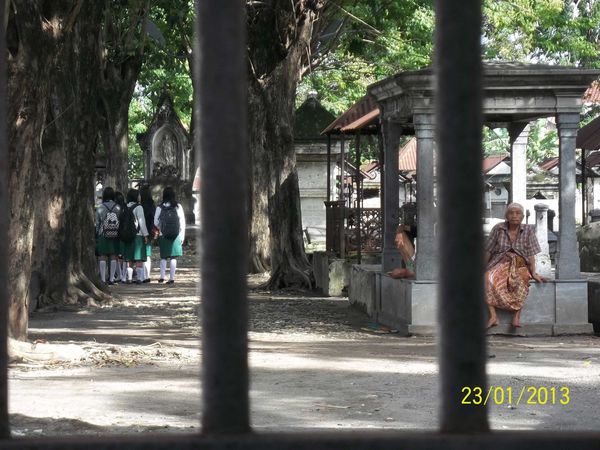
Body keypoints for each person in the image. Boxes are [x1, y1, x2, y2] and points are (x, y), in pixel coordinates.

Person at [485, 202, 547, 329]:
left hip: (520, 263)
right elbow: (489, 250)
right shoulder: (498, 228)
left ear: (522, 217)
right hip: (500, 261)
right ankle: (493, 316)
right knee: (487, 278)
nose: (514, 215)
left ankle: (516, 316)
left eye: (517, 213)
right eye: (511, 213)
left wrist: (533, 272)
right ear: (506, 216)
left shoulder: (528, 230)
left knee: (523, 279)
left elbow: (531, 254)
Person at [154, 186, 186, 284]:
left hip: (163, 235)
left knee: (163, 257)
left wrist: (161, 228)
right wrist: (182, 236)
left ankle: (162, 277)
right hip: (176, 234)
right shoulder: (178, 206)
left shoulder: (159, 207)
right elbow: (182, 222)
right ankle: (172, 278)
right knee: (173, 257)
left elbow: (155, 222)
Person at [122, 188, 150, 284]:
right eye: (138, 195)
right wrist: (146, 235)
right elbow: (142, 223)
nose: (140, 197)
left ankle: (129, 278)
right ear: (136, 196)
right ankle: (139, 278)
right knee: (138, 258)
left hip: (127, 235)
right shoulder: (139, 207)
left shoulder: (125, 207)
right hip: (137, 235)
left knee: (129, 258)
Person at [95, 187, 121, 285]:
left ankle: (102, 279)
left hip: (103, 234)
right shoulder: (118, 207)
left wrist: (97, 233)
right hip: (115, 233)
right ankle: (112, 278)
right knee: (113, 255)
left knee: (102, 256)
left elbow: (97, 223)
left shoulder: (100, 207)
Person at [140, 185, 156, 283]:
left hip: (140, 231)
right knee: (148, 254)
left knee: (141, 254)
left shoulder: (140, 206)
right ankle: (147, 275)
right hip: (150, 232)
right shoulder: (152, 205)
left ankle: (142, 276)